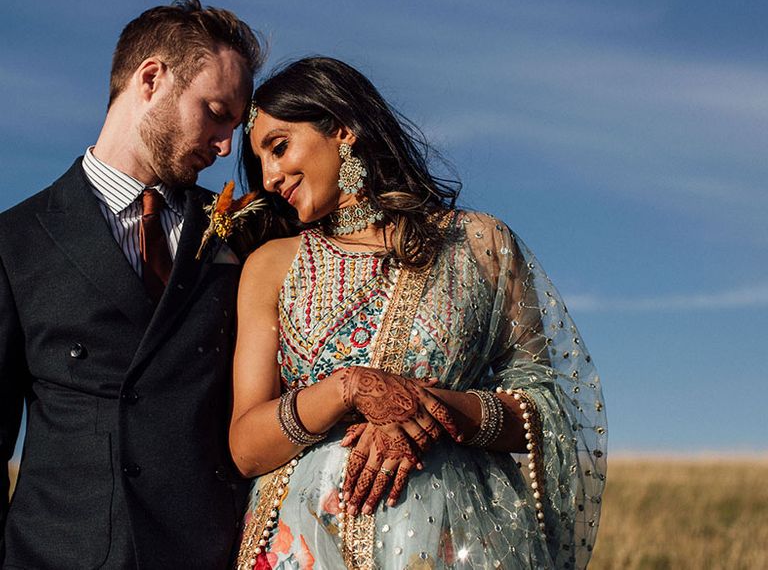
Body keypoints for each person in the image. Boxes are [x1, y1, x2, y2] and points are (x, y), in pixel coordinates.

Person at [230, 57, 607, 569]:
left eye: (279, 147)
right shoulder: (271, 266)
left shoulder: (479, 243)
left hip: (459, 539)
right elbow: (247, 446)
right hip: (306, 540)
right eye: (261, 163)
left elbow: (543, 414)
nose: (270, 177)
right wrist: (348, 388)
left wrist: (430, 409)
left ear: (343, 129)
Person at [0, 0, 265, 569]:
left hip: (208, 554)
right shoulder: (13, 242)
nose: (225, 147)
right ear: (151, 79)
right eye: (216, 111)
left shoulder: (242, 234)